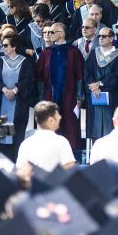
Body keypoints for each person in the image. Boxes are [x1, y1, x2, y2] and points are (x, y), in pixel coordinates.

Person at [35, 22, 84, 152]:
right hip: (49, 97)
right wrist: (41, 99)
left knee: (69, 126)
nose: (48, 34)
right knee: (51, 124)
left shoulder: (73, 52)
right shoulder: (46, 53)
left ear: (61, 34)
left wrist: (79, 97)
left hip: (70, 96)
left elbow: (80, 76)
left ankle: (71, 156)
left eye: (52, 32)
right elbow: (39, 77)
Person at [0, 34, 36, 160]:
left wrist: (16, 90)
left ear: (14, 46)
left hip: (19, 102)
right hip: (3, 100)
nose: (3, 48)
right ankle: (2, 160)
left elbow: (29, 80)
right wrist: (4, 89)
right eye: (2, 45)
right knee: (2, 130)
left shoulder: (25, 61)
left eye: (6, 45)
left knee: (17, 130)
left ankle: (17, 159)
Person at [84, 27, 118, 142]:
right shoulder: (94, 53)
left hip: (112, 95)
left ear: (111, 38)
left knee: (111, 129)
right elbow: (87, 71)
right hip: (95, 95)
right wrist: (93, 86)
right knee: (94, 129)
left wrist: (100, 84)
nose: (101, 38)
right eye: (99, 36)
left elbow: (117, 75)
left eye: (104, 36)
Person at [16, 100, 77, 171]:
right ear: (51, 120)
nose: (60, 117)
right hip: (55, 181)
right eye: (57, 115)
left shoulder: (26, 143)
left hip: (33, 181)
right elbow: (71, 169)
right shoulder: (61, 141)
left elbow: (20, 170)